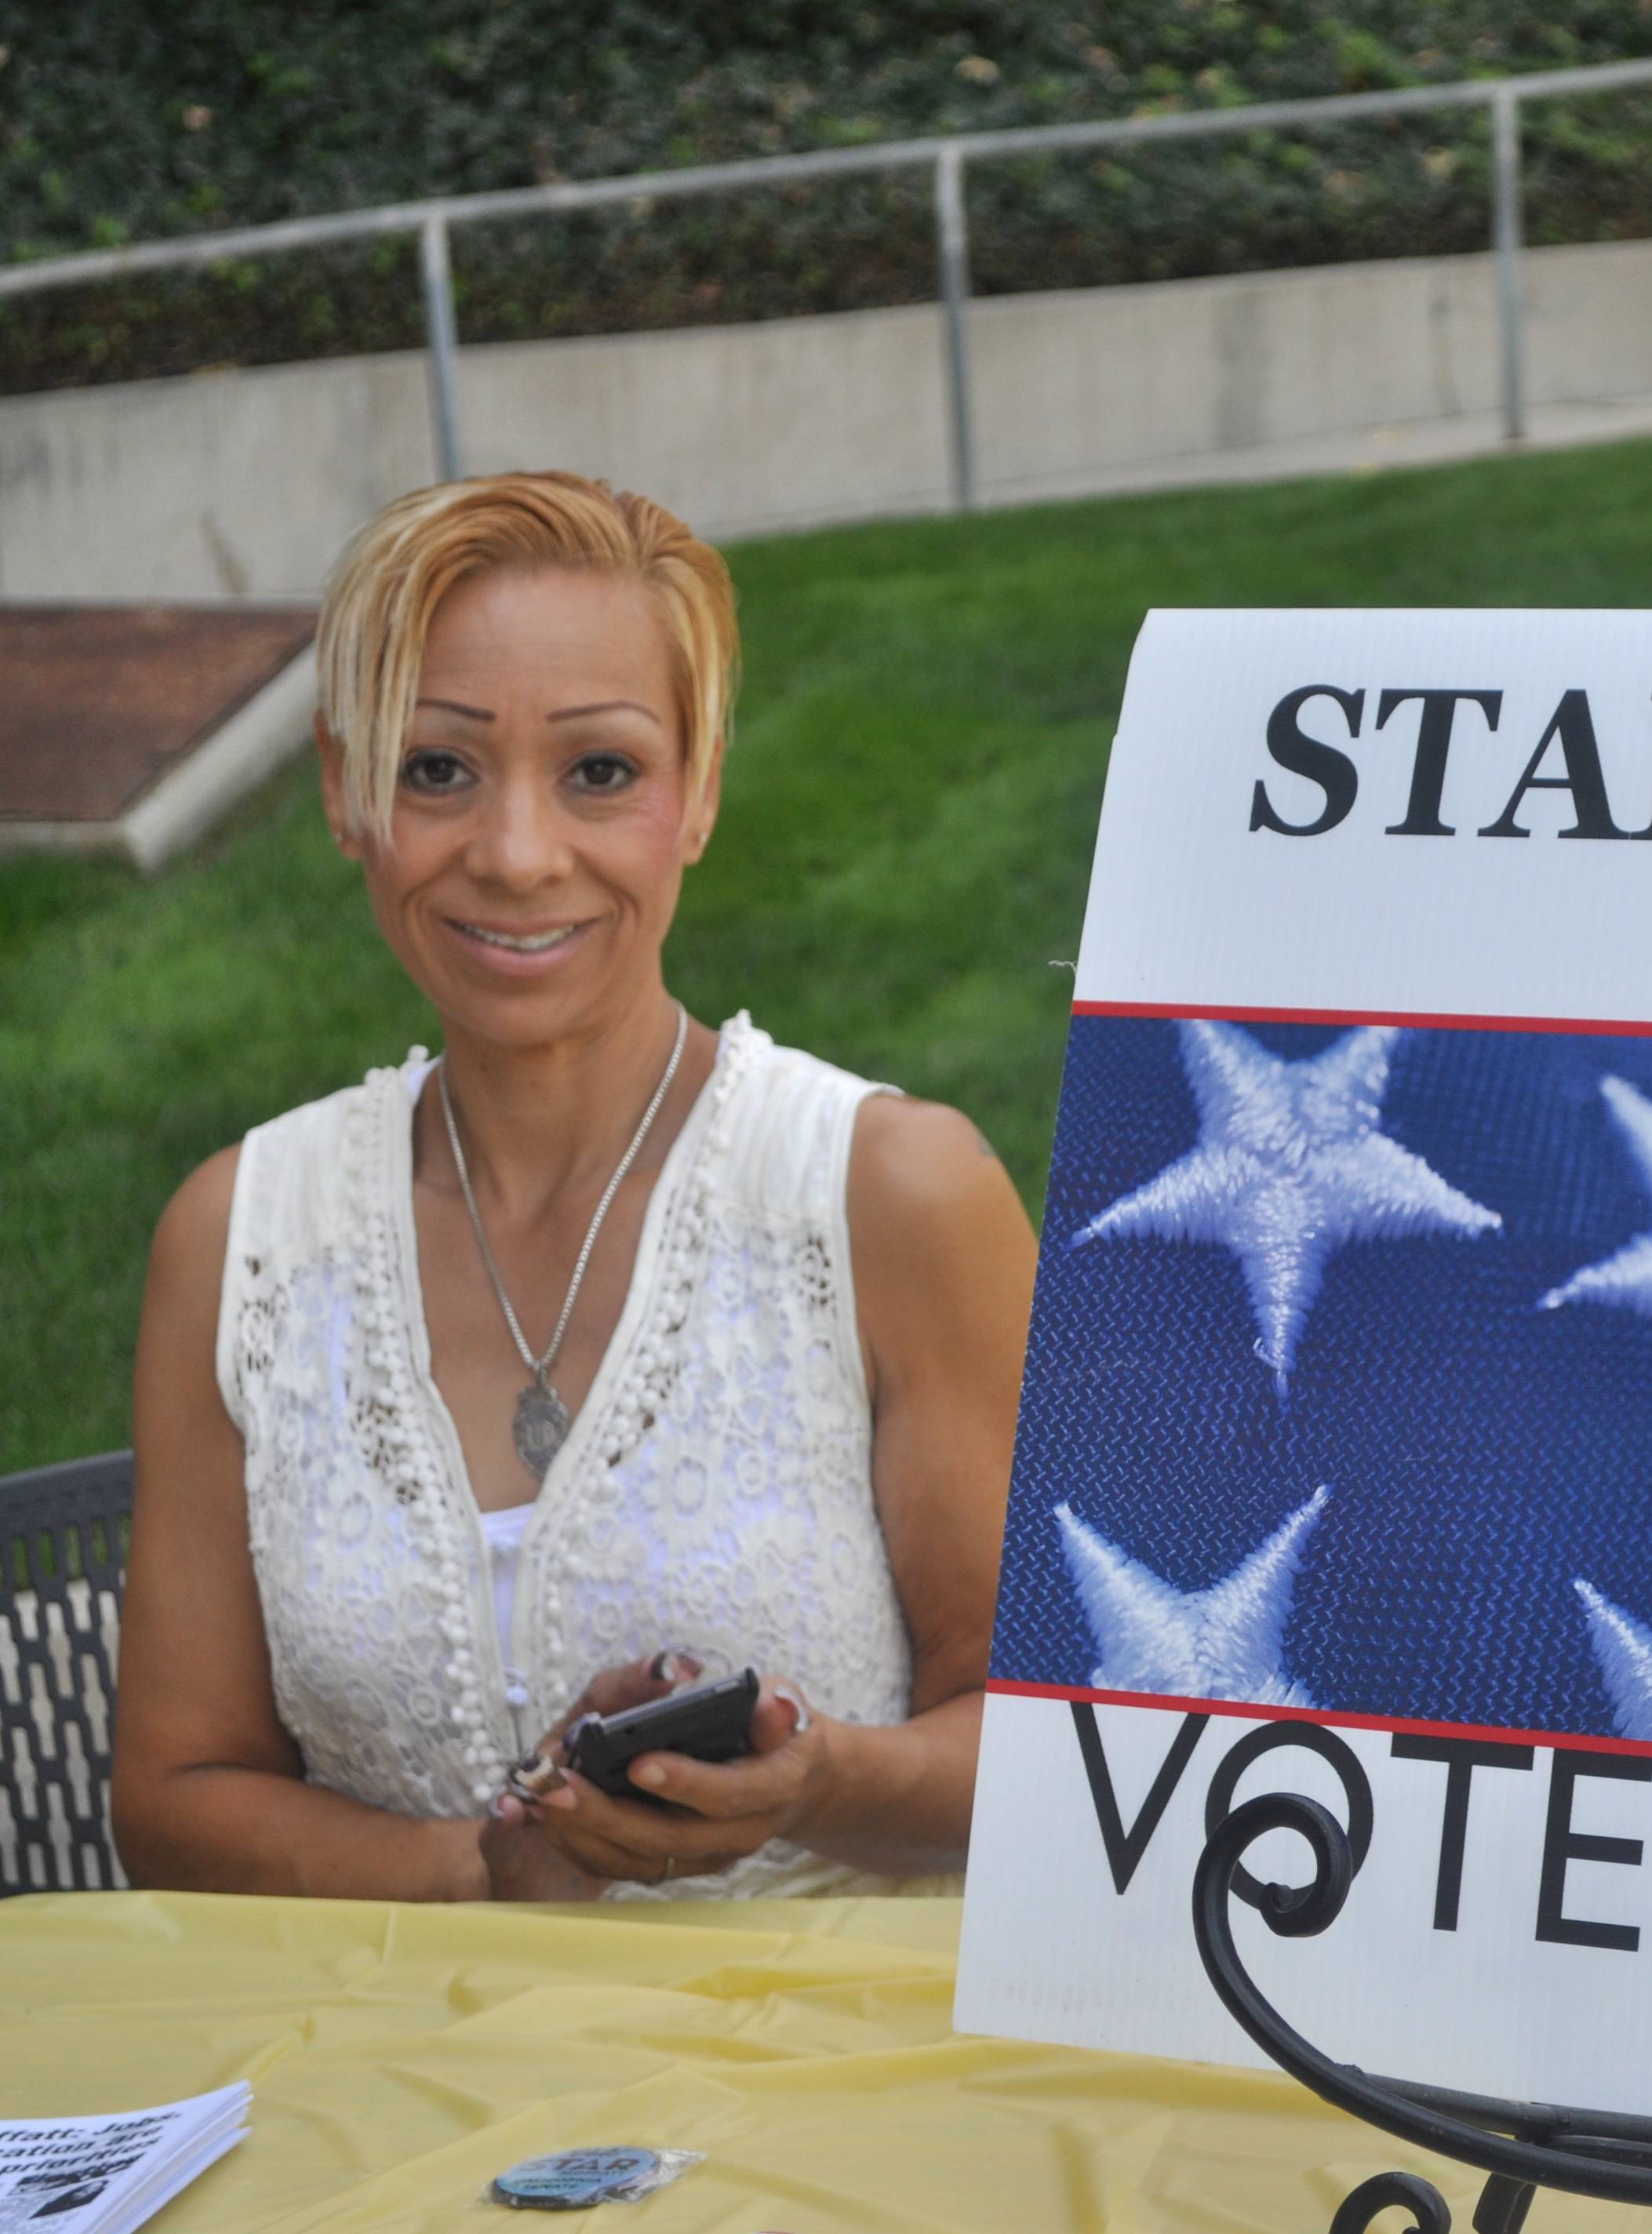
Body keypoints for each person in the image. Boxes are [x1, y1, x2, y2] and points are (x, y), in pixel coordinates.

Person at [112, 471, 1037, 1900]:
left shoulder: (892, 1195)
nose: (516, 855)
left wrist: (817, 1783)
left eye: (600, 771)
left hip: (842, 2036)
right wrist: (487, 1874)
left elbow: (1066, 1747)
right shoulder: (241, 1241)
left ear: (700, 791)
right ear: (345, 792)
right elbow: (174, 1799)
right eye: (438, 769)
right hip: (391, 2038)